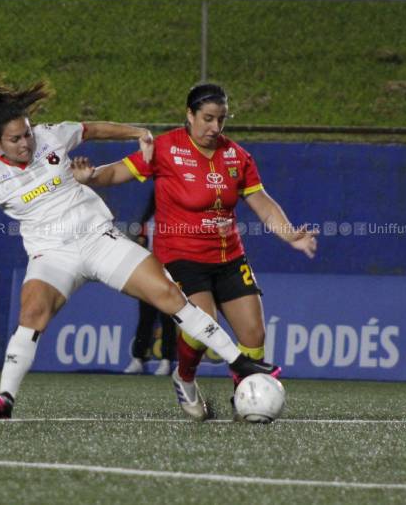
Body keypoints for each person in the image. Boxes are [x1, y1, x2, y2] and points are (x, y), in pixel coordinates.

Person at [0, 77, 278, 420]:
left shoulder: (51, 135)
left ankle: (237, 360)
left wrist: (136, 132)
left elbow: (92, 129)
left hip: (98, 238)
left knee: (168, 295)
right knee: (33, 311)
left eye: (27, 133)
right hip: (52, 255)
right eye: (16, 139)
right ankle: (5, 397)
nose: (26, 142)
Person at [71, 82, 317, 421]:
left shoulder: (237, 156)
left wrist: (291, 235)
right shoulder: (165, 148)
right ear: (189, 115)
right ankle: (184, 377)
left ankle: (245, 400)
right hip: (182, 256)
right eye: (208, 118)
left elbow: (261, 202)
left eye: (222, 120)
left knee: (254, 334)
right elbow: (118, 172)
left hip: (229, 256)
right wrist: (91, 176)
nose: (215, 128)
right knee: (203, 326)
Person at [123, 192, 176, 376]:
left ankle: (166, 361)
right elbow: (140, 245)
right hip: (150, 276)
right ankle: (137, 359)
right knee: (145, 319)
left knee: (168, 320)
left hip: (171, 276)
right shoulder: (148, 222)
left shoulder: (178, 220)